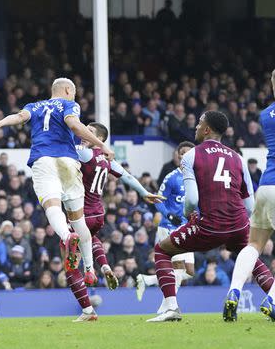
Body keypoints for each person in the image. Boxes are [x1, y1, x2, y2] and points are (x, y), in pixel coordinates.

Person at [147, 111, 274, 322]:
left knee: (162, 250)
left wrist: (191, 216)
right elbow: (250, 204)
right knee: (251, 255)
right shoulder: (238, 158)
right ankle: (272, 298)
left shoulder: (191, 155)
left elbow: (191, 201)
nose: (196, 127)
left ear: (207, 130)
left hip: (210, 226)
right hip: (238, 224)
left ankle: (171, 308)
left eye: (198, 123)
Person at [0, 78, 115, 287]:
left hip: (43, 159)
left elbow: (19, 117)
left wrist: (0, 123)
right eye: (73, 93)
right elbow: (74, 125)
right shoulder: (69, 105)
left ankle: (66, 236)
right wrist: (102, 145)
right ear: (67, 90)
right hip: (68, 159)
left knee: (52, 206)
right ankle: (90, 270)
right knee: (78, 220)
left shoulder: (35, 106)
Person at [66, 123, 165, 322]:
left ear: (100, 139)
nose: (84, 133)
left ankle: (87, 309)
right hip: (98, 214)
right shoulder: (106, 160)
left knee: (70, 266)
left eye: (90, 132)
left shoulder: (85, 154)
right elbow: (127, 176)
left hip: (80, 214)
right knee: (90, 238)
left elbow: (63, 143)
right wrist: (144, 193)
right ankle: (103, 266)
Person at [225, 69, 275, 321]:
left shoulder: (266, 115)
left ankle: (234, 291)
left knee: (254, 244)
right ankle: (273, 300)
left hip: (265, 186)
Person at [135, 141, 196, 311]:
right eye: (181, 152)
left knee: (189, 272)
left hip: (188, 228)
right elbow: (157, 200)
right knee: (177, 268)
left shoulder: (197, 177)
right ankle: (167, 307)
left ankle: (147, 280)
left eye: (188, 152)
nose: (184, 155)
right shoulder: (172, 177)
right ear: (178, 156)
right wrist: (169, 215)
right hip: (170, 226)